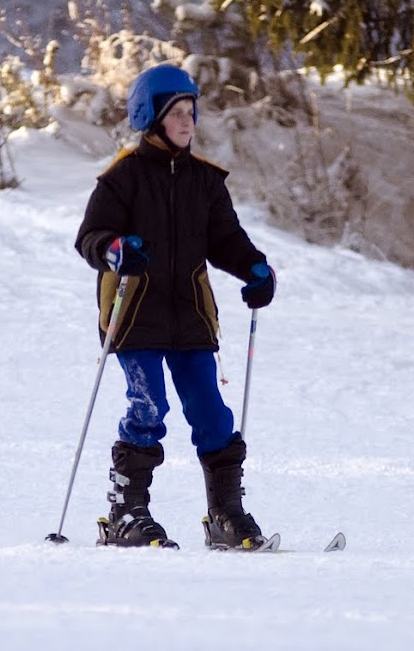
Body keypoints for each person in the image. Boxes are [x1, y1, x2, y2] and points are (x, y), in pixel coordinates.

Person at [75, 64, 276, 550]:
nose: (188, 122)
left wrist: (253, 268)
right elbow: (90, 238)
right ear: (152, 117)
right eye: (178, 113)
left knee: (211, 411)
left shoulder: (205, 181)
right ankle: (126, 513)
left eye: (191, 112)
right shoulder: (122, 177)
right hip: (134, 312)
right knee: (149, 406)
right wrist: (115, 250)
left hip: (190, 314)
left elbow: (226, 239)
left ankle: (226, 514)